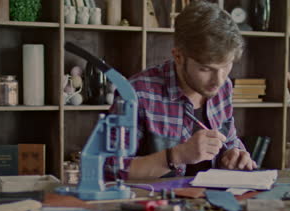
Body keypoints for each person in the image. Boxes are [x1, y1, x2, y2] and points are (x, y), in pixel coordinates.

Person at [105, 0, 257, 180]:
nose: (219, 80)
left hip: (210, 203)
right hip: (156, 205)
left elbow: (230, 142)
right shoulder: (137, 93)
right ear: (178, 56)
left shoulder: (224, 87)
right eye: (206, 69)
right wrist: (177, 156)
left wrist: (233, 156)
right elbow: (110, 168)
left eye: (226, 66)